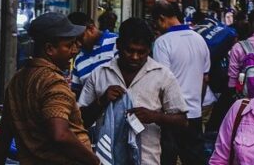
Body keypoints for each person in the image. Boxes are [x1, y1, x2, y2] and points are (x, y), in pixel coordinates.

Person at [0, 13, 99, 165]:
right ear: (49, 48)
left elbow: (3, 138)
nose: (74, 50)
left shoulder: (17, 80)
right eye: (69, 45)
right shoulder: (53, 83)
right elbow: (60, 134)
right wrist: (94, 160)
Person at [79, 18, 189, 165]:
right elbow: (80, 121)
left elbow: (182, 121)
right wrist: (101, 102)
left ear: (149, 49)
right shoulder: (100, 74)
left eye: (141, 52)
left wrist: (155, 117)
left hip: (147, 160)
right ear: (118, 45)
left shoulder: (163, 76)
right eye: (129, 50)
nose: (135, 57)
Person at [152, 1, 210, 165]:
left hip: (171, 116)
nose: (156, 27)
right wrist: (197, 102)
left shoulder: (163, 43)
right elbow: (205, 79)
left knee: (167, 159)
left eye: (156, 22)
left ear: (162, 18)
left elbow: (161, 82)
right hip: (194, 113)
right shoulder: (200, 39)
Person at [68, 12, 117, 96]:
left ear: (91, 28)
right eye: (75, 41)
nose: (78, 44)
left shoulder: (116, 42)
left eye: (80, 38)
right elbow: (76, 93)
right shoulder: (79, 59)